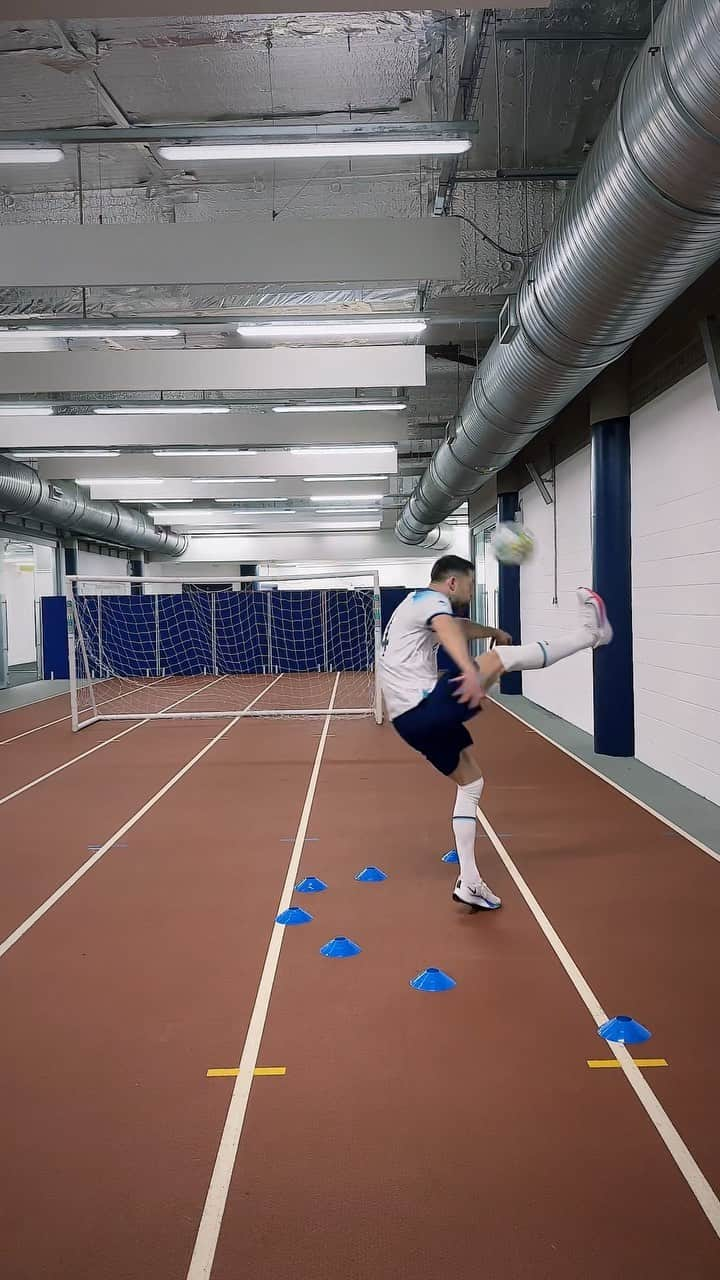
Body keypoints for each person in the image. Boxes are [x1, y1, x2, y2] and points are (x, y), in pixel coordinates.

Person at [379, 555, 613, 912]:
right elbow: (447, 629)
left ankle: (470, 881)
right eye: (470, 585)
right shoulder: (432, 601)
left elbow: (457, 626)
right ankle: (591, 634)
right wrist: (469, 670)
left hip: (407, 723)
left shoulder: (412, 606)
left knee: (470, 782)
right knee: (500, 659)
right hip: (423, 706)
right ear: (452, 583)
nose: (470, 592)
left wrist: (490, 632)